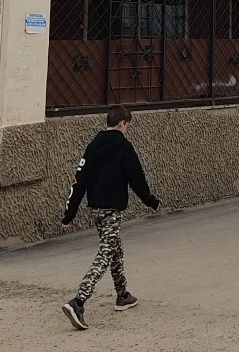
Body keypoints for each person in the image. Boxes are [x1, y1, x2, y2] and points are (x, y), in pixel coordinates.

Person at [60, 105, 161, 330]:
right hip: (112, 210)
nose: (127, 130)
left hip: (95, 208)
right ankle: (78, 301)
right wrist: (151, 201)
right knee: (106, 253)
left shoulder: (93, 146)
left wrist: (69, 214)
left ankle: (122, 295)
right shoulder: (124, 147)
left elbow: (79, 180)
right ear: (123, 123)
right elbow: (137, 178)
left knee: (115, 249)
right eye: (127, 126)